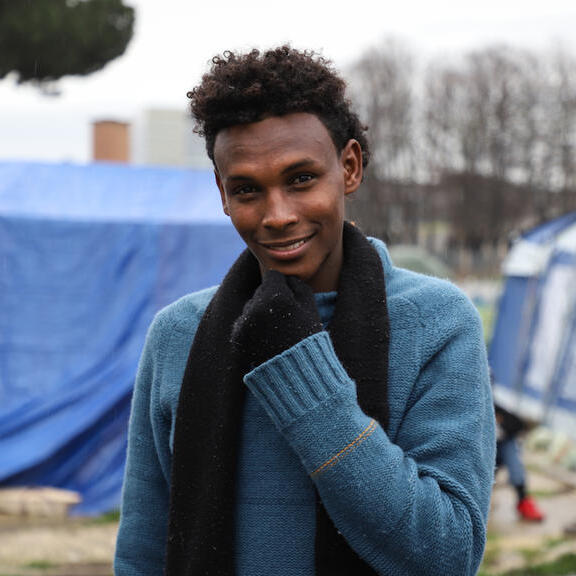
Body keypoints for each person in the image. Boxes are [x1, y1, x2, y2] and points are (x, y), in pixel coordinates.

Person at [114, 46, 496, 576]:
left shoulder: (438, 322)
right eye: (248, 189)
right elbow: (142, 552)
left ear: (350, 167)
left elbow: (448, 555)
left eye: (300, 179)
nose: (278, 215)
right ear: (223, 194)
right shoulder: (180, 334)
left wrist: (300, 369)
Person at [495, 403, 545, 522]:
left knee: (510, 447)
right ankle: (523, 499)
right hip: (480, 453)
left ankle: (523, 500)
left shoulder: (488, 402)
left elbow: (518, 424)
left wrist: (501, 427)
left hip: (498, 451)